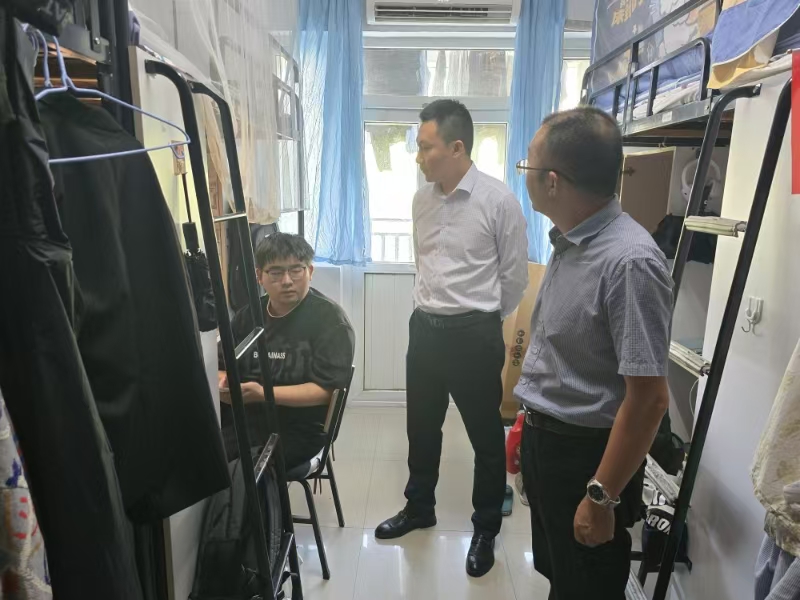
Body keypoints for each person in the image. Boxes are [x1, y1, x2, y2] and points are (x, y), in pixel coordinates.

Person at [515, 106, 674, 599]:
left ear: (553, 182)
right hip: (549, 445)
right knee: (562, 576)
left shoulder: (629, 262)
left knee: (588, 585)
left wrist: (601, 497)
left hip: (587, 458)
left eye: (528, 166)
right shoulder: (571, 242)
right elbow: (561, 355)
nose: (524, 175)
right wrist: (526, 427)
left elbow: (649, 400)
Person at [375, 99, 529, 578]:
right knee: (421, 428)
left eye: (426, 147)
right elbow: (425, 263)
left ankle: (485, 528)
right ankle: (419, 507)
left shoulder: (499, 201)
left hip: (473, 334)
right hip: (425, 329)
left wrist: (480, 317)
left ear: (457, 147)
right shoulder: (421, 199)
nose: (418, 157)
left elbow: (514, 279)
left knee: (485, 437)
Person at [218, 233, 355, 471]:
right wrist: (224, 384)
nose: (287, 281)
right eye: (276, 272)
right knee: (203, 454)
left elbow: (326, 390)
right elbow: (220, 365)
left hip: (300, 429)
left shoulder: (330, 321)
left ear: (310, 271)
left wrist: (263, 393)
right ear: (259, 276)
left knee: (246, 469)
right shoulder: (248, 316)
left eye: (296, 270)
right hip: (246, 421)